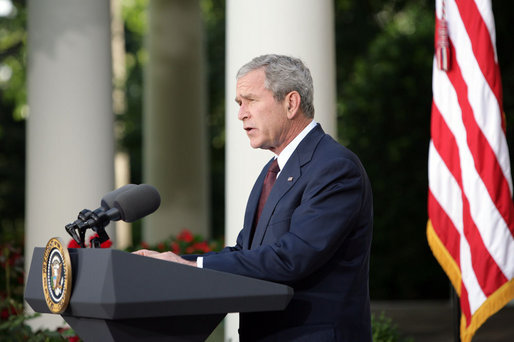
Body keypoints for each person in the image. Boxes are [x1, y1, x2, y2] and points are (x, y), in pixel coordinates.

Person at [134, 54, 373, 341]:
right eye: (239, 103)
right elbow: (244, 253)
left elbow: (291, 258)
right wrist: (177, 263)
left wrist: (193, 267)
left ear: (291, 103)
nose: (241, 113)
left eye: (250, 100)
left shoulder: (334, 167)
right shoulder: (272, 171)